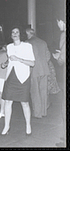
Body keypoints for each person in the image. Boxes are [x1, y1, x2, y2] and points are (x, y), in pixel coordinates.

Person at [1, 27, 35, 136]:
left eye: (17, 32)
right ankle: (6, 126)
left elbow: (32, 63)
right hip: (11, 77)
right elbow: (10, 60)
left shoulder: (27, 46)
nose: (15, 34)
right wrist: (5, 63)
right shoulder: (9, 47)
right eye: (13, 32)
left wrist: (18, 59)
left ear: (21, 34)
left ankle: (28, 125)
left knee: (24, 102)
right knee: (7, 102)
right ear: (10, 35)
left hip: (23, 78)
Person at [26, 28, 51, 118]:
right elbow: (48, 55)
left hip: (34, 70)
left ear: (28, 34)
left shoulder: (27, 43)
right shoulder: (43, 42)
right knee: (43, 92)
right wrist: (43, 63)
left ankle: (37, 113)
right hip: (44, 69)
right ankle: (44, 112)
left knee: (35, 92)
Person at [52, 19, 66, 147]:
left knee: (64, 107)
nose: (58, 25)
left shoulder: (64, 34)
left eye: (58, 22)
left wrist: (58, 58)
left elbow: (62, 59)